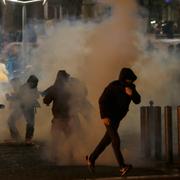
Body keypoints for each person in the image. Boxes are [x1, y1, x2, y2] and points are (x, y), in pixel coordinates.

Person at [86, 67, 141, 176]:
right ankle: (122, 166)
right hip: (109, 117)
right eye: (128, 79)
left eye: (131, 79)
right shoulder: (113, 86)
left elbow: (138, 100)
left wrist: (132, 94)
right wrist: (104, 116)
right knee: (115, 140)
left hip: (117, 118)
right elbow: (101, 100)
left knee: (106, 141)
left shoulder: (131, 87)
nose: (130, 81)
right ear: (124, 78)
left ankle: (91, 158)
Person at [18, 75, 40, 144]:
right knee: (30, 123)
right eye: (34, 82)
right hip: (25, 107)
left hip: (30, 107)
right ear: (30, 81)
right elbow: (20, 97)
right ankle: (28, 139)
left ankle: (29, 138)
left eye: (35, 83)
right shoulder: (23, 87)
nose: (34, 84)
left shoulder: (34, 87)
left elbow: (37, 96)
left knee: (31, 123)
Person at [5, 78, 22, 142]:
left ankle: (16, 138)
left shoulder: (20, 89)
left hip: (21, 109)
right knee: (10, 121)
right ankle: (15, 137)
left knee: (10, 121)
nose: (12, 85)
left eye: (13, 84)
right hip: (19, 109)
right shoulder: (18, 89)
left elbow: (18, 98)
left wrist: (9, 97)